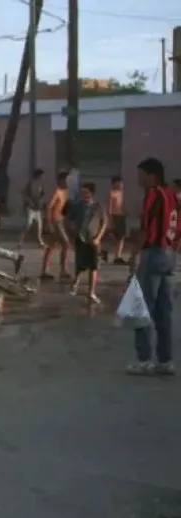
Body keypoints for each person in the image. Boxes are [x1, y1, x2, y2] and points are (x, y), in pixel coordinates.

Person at [126, 158, 177, 376]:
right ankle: (165, 360)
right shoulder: (172, 195)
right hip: (169, 253)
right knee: (164, 311)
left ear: (152, 176)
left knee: (142, 306)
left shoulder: (153, 195)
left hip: (153, 253)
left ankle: (144, 359)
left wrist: (134, 254)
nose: (139, 180)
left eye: (141, 175)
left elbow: (146, 228)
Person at [68, 182, 106, 304]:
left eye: (86, 192)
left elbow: (104, 223)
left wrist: (98, 238)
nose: (84, 195)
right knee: (80, 265)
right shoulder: (77, 206)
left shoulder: (97, 207)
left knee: (94, 266)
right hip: (81, 239)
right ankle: (75, 281)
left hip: (94, 240)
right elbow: (69, 219)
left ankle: (91, 292)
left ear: (92, 193)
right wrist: (73, 229)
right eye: (82, 192)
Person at [39, 172, 72, 281]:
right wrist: (48, 222)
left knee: (52, 245)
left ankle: (45, 270)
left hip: (59, 221)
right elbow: (49, 206)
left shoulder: (65, 192)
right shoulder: (57, 191)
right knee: (66, 244)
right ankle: (63, 270)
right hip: (55, 221)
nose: (69, 182)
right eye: (67, 180)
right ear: (61, 180)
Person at [19, 168, 47, 249]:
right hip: (31, 207)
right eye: (41, 175)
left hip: (38, 208)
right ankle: (20, 241)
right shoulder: (31, 183)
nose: (42, 177)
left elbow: (42, 194)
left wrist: (41, 201)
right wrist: (29, 202)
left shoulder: (41, 184)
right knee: (28, 225)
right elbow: (25, 194)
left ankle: (40, 241)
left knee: (39, 226)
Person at [107, 175, 129, 265]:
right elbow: (109, 207)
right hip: (114, 216)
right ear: (114, 184)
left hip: (121, 216)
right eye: (119, 183)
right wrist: (110, 219)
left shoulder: (122, 193)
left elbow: (123, 205)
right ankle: (105, 252)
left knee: (121, 237)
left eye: (121, 183)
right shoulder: (112, 193)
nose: (121, 185)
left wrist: (126, 212)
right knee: (114, 237)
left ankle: (118, 255)